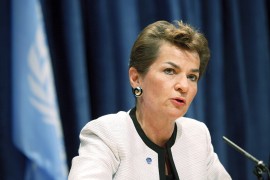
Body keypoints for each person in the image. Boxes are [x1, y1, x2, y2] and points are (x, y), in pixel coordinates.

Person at [68, 20, 231, 180]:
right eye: (170, 71)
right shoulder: (108, 135)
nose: (184, 86)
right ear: (136, 78)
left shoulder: (197, 135)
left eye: (192, 77)